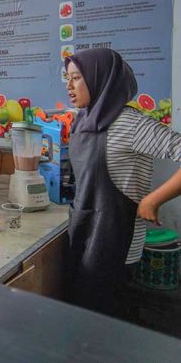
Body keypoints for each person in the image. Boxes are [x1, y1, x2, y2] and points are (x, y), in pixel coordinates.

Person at [64, 48, 181, 318]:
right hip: (84, 227)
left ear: (99, 79)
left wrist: (154, 199)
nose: (69, 86)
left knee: (107, 316)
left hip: (118, 238)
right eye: (67, 78)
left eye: (77, 78)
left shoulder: (129, 123)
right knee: (83, 311)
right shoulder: (83, 120)